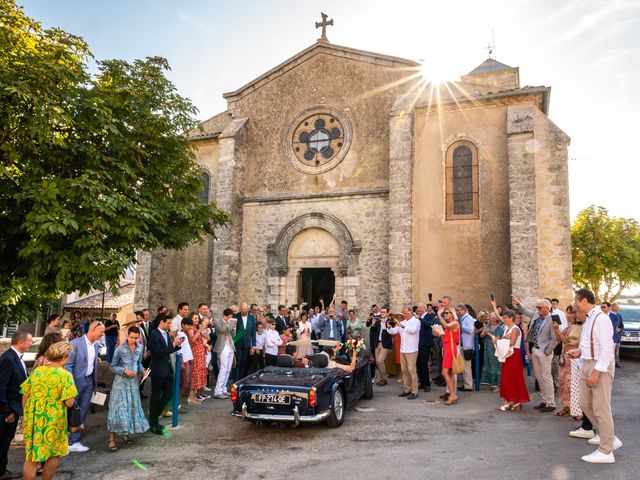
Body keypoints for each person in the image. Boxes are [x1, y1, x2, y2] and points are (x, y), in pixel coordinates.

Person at [568, 288, 622, 464]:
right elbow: (591, 343)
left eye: (576, 300)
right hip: (587, 362)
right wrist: (579, 352)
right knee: (584, 403)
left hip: (599, 366)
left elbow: (608, 349)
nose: (574, 304)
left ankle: (606, 451)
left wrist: (597, 372)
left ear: (584, 301)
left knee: (601, 408)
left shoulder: (601, 319)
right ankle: (610, 438)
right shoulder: (590, 318)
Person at [21, 341, 77, 480]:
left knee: (31, 457)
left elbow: (25, 394)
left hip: (34, 419)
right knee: (53, 454)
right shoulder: (65, 375)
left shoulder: (38, 371)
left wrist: (28, 415)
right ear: (63, 357)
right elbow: (69, 403)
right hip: (54, 419)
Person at [65, 320, 105, 452]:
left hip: (89, 383)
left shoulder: (96, 345)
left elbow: (93, 365)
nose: (102, 334)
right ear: (93, 329)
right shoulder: (75, 344)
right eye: (101, 331)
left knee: (83, 410)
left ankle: (73, 441)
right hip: (75, 383)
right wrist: (71, 384)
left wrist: (94, 385)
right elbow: (68, 365)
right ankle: (63, 440)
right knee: (70, 411)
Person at [107, 326, 149, 451]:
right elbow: (113, 366)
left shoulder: (139, 347)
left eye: (136, 338)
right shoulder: (120, 349)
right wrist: (124, 370)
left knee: (130, 408)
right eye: (132, 337)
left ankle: (126, 435)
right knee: (117, 410)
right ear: (127, 335)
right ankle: (111, 440)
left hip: (133, 384)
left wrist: (142, 370)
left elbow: (138, 363)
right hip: (120, 384)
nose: (134, 340)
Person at [514, 296, 558, 412]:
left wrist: (547, 351)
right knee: (539, 377)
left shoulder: (552, 319)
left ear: (547, 308)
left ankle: (551, 403)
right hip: (535, 349)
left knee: (546, 377)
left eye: (540, 307)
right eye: (537, 307)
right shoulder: (537, 315)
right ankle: (544, 401)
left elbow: (555, 339)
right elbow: (525, 311)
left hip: (544, 351)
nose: (537, 309)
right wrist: (518, 303)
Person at [0, 331, 32, 480]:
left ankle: (2, 469)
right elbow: (1, 387)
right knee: (3, 441)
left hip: (13, 407)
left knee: (6, 440)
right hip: (8, 410)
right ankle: (1, 472)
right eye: (29, 341)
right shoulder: (8, 358)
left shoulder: (15, 357)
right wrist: (7, 412)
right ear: (21, 342)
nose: (31, 344)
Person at [148, 314, 183, 434]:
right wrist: (173, 344)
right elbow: (159, 353)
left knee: (168, 394)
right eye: (168, 323)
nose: (169, 326)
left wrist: (177, 344)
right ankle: (153, 423)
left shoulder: (166, 334)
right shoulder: (154, 335)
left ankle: (155, 416)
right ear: (161, 322)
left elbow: (168, 350)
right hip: (158, 370)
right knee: (155, 397)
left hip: (167, 369)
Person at [493, 310, 530, 411]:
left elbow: (512, 342)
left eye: (505, 318)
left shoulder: (515, 329)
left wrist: (498, 340)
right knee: (507, 377)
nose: (503, 319)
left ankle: (514, 400)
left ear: (510, 318)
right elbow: (507, 340)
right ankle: (510, 400)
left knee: (514, 377)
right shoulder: (507, 328)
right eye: (503, 318)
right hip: (508, 354)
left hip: (514, 354)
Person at [387, 306, 421, 399]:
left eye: (405, 313)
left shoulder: (416, 322)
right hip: (403, 349)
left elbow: (413, 331)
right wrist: (389, 327)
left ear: (410, 312)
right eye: (403, 313)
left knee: (412, 371)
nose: (404, 315)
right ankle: (407, 389)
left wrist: (401, 325)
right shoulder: (402, 322)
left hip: (412, 350)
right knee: (404, 371)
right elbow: (394, 331)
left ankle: (415, 391)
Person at [553, 305, 581, 417]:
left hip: (575, 358)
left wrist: (558, 331)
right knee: (564, 382)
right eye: (568, 313)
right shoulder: (568, 327)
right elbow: (561, 339)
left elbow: (567, 340)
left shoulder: (581, 327)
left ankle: (577, 409)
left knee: (573, 384)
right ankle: (567, 406)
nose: (569, 315)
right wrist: (556, 329)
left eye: (572, 313)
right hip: (565, 356)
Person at [433, 307, 460, 405]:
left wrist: (439, 316)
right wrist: (438, 333)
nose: (445, 314)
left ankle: (452, 394)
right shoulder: (450, 325)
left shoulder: (455, 323)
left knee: (445, 372)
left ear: (452, 314)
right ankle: (453, 394)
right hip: (447, 349)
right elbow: (446, 335)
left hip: (451, 350)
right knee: (450, 373)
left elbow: (447, 326)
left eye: (447, 313)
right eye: (444, 313)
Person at [213, 308, 237, 398]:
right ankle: (217, 391)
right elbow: (222, 331)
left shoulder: (230, 322)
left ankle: (223, 388)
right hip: (222, 346)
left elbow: (233, 335)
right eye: (230, 315)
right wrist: (228, 322)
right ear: (226, 315)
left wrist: (234, 327)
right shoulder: (217, 320)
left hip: (230, 346)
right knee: (223, 368)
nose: (231, 317)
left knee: (228, 369)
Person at [480, 312, 504, 391]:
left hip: (495, 348)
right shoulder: (488, 325)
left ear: (497, 319)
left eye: (493, 318)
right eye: (490, 317)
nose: (491, 319)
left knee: (495, 365)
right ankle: (490, 383)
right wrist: (484, 332)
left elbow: (497, 339)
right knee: (487, 364)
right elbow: (481, 335)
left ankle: (497, 385)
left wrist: (488, 333)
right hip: (487, 347)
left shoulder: (500, 328)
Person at [233, 303, 256, 381]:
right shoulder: (235, 317)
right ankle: (235, 382)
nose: (244, 311)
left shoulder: (252, 318)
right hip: (237, 344)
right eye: (242, 309)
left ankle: (241, 382)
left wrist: (253, 346)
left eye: (245, 309)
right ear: (240, 309)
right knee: (237, 364)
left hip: (247, 345)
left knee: (244, 364)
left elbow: (253, 333)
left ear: (248, 309)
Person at [189, 313, 210, 402]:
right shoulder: (190, 328)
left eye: (197, 318)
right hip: (195, 353)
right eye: (195, 318)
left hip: (201, 352)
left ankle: (196, 396)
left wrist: (206, 334)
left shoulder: (198, 328)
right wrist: (200, 330)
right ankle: (191, 398)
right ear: (191, 319)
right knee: (195, 375)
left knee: (201, 374)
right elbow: (192, 340)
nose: (197, 320)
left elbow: (206, 340)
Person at [415, 303, 435, 392]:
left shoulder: (429, 316)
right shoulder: (417, 317)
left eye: (420, 307)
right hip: (417, 343)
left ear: (424, 308)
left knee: (424, 363)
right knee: (418, 364)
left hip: (426, 343)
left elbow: (429, 325)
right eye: (418, 307)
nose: (418, 309)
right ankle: (421, 382)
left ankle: (427, 384)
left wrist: (419, 318)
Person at [456, 304, 476, 392]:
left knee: (467, 366)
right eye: (457, 310)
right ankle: (466, 384)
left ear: (464, 310)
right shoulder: (462, 318)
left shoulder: (468, 318)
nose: (458, 312)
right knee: (464, 366)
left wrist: (461, 326)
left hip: (467, 345)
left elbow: (470, 330)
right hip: (462, 345)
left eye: (459, 310)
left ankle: (469, 385)